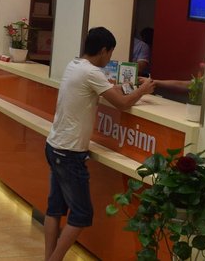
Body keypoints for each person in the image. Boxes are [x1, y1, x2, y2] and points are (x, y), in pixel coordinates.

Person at [44, 27, 157, 261]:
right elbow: (122, 104)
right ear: (104, 50)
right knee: (81, 215)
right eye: (111, 53)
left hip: (54, 145)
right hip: (69, 153)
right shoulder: (92, 72)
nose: (110, 58)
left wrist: (121, 86)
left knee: (55, 209)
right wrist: (143, 90)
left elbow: (106, 90)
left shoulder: (75, 65)